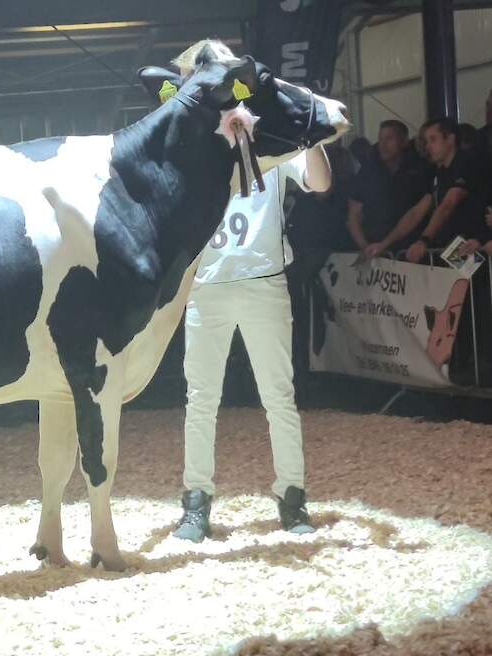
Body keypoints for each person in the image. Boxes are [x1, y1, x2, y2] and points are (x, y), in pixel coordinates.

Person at [175, 145, 332, 543]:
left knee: (278, 395)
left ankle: (292, 495)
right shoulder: (201, 141)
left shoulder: (275, 141)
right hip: (207, 284)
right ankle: (196, 501)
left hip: (263, 280)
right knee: (201, 398)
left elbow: (321, 181)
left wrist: (311, 133)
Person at [363, 118, 488, 264]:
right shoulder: (438, 172)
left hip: (474, 245)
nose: (428, 146)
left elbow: (448, 205)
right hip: (453, 248)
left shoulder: (466, 162)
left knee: (473, 285)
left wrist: (424, 240)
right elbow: (417, 211)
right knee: (451, 285)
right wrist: (384, 244)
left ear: (450, 139)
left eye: (433, 140)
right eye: (426, 141)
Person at [346, 120, 431, 253]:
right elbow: (353, 216)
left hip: (411, 251)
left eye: (389, 138)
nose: (383, 144)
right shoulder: (367, 171)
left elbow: (418, 211)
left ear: (404, 141)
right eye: (380, 139)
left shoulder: (420, 169)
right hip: (375, 249)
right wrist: (365, 247)